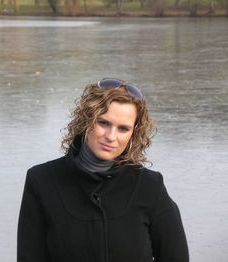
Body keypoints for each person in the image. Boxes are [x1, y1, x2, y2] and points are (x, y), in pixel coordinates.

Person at [17, 78, 189, 262]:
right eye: (104, 123)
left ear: (134, 133)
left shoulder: (150, 186)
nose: (111, 137)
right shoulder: (42, 181)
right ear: (86, 119)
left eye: (123, 129)